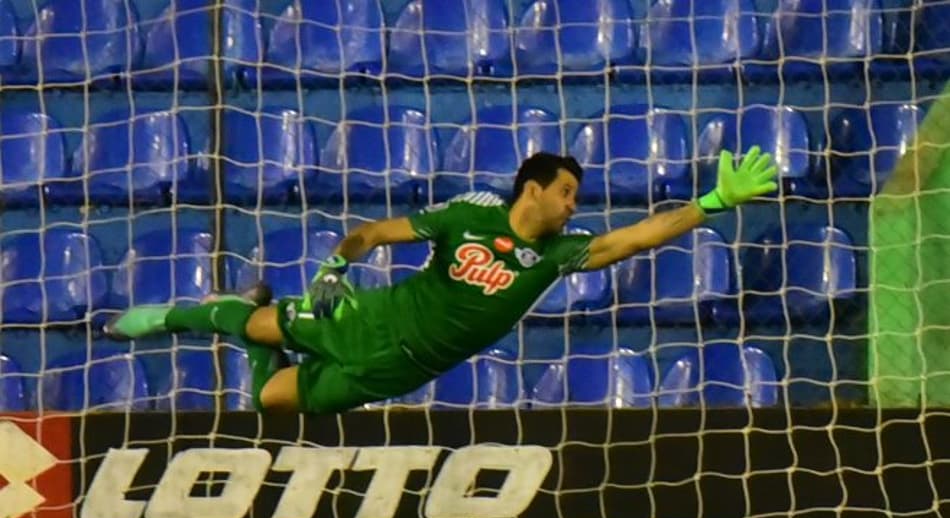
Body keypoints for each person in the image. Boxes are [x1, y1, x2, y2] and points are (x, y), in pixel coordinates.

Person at [105, 148, 778, 414]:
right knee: (256, 327)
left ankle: (252, 307)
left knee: (270, 396)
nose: (575, 205)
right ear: (534, 189)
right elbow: (373, 233)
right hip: (369, 320)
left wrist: (711, 205)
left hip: (395, 375)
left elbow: (635, 238)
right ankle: (168, 318)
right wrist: (337, 265)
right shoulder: (468, 216)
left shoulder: (556, 256)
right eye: (567, 192)